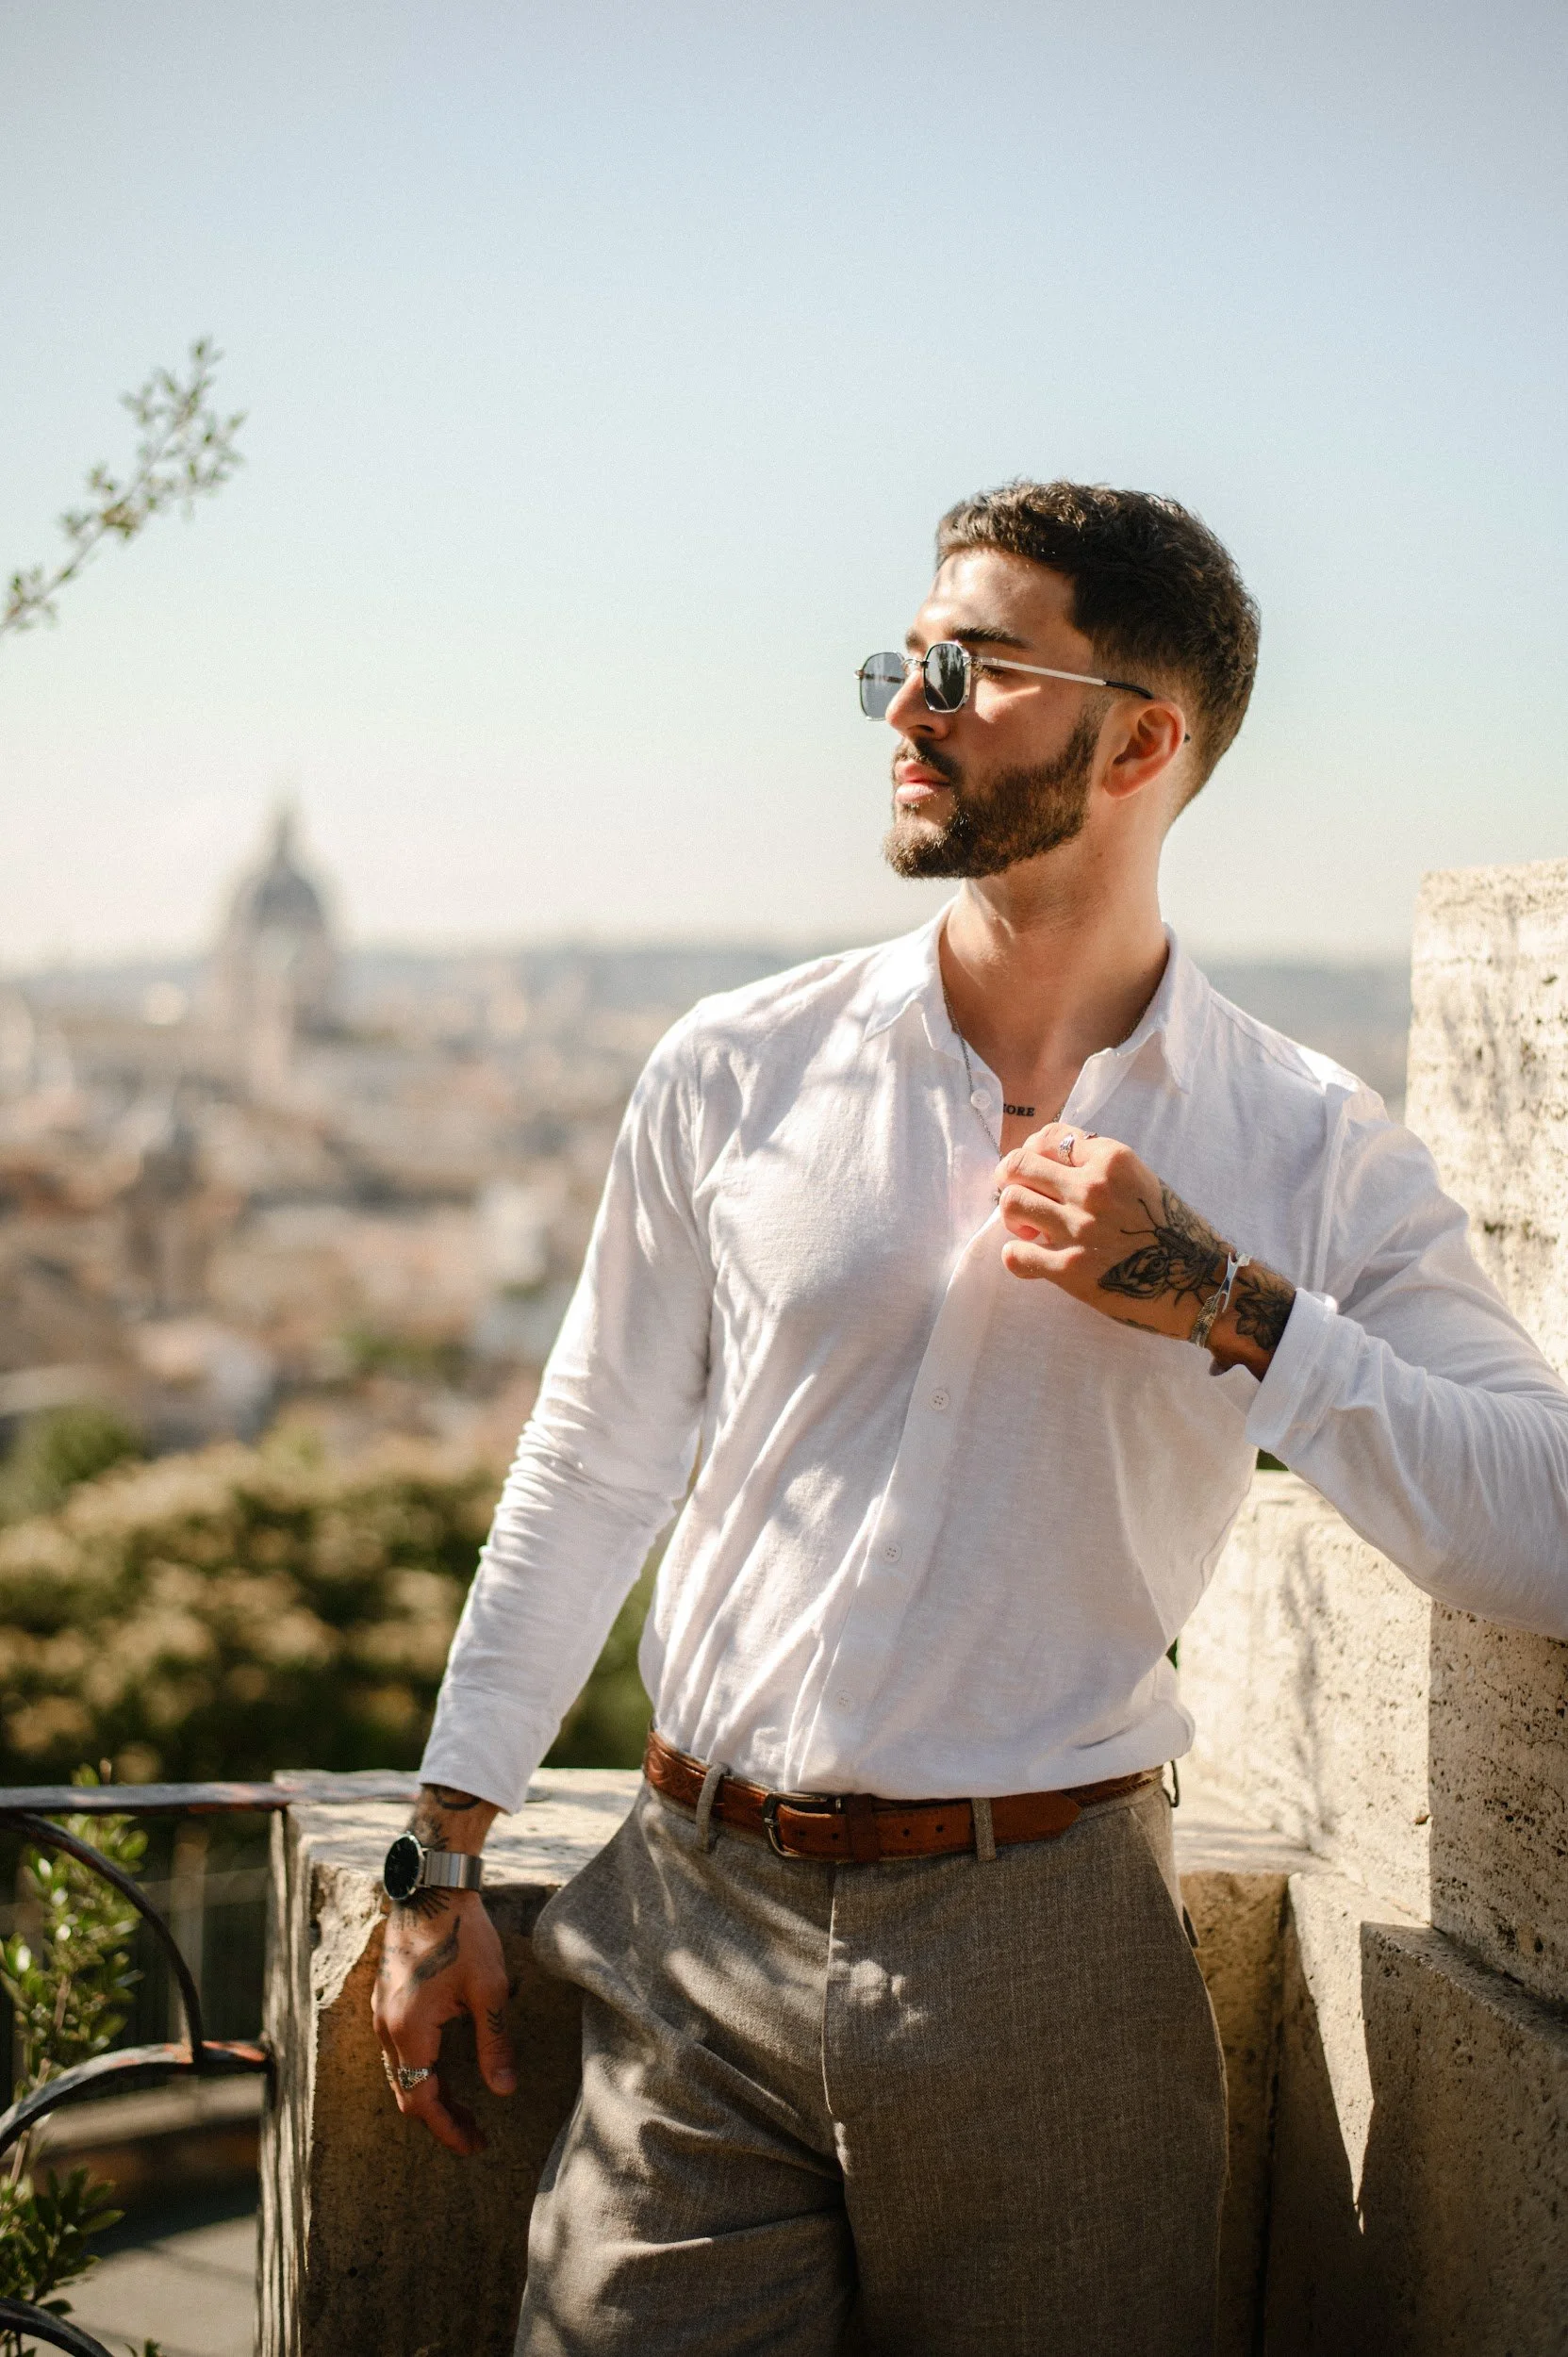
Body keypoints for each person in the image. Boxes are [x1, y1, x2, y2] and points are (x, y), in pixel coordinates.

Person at [371, 480, 1568, 2356]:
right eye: (906, 658)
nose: (907, 703)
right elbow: (595, 1464)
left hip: (1057, 1959)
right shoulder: (734, 1065)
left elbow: (1545, 1528)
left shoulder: (1309, 1141)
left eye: (975, 666)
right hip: (693, 1925)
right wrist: (443, 1857)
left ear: (1143, 739)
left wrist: (1227, 1297)